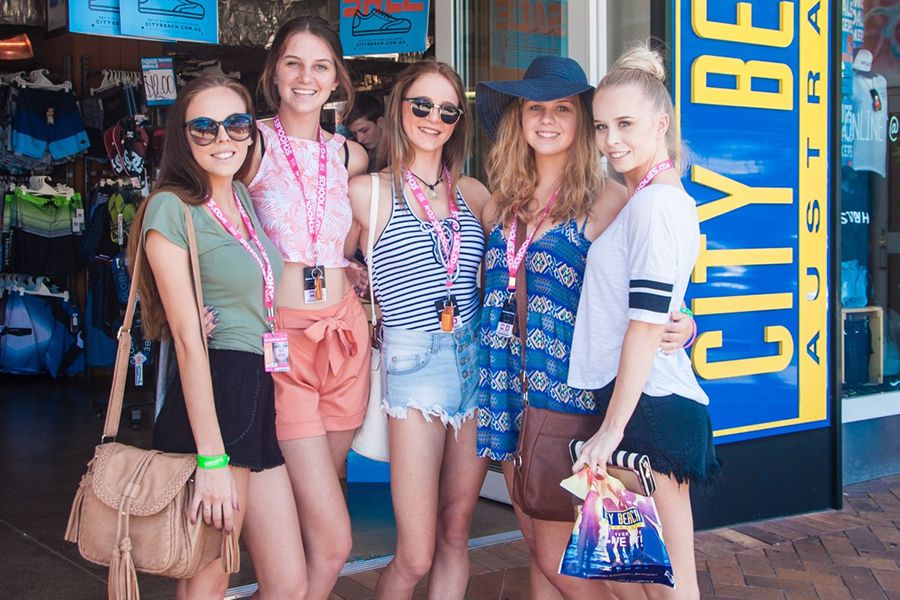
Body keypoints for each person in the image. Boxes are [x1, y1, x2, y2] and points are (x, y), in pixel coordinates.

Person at [475, 56, 694, 599]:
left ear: (579, 124)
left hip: (571, 399)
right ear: (518, 120)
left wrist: (685, 323)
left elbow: (652, 279)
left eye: (563, 110)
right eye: (534, 109)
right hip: (506, 390)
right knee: (535, 538)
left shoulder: (609, 200)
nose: (546, 121)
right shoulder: (499, 203)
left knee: (578, 559)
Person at [129, 75, 306, 599]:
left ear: (252, 131)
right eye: (204, 127)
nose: (223, 137)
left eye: (235, 123)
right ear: (183, 138)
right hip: (215, 389)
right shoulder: (171, 207)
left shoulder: (243, 200)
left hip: (256, 385)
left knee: (289, 582)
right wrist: (210, 461)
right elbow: (186, 339)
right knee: (208, 576)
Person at [568, 43, 721, 600]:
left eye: (625, 123)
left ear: (662, 124)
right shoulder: (648, 200)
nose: (611, 140)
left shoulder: (658, 204)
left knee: (666, 585)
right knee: (636, 579)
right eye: (602, 126)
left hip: (648, 410)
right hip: (643, 401)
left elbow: (644, 326)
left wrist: (612, 428)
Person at [346, 60, 491, 600]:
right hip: (412, 364)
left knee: (456, 535)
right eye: (422, 105)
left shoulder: (473, 194)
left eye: (447, 110)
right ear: (399, 108)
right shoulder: (368, 193)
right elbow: (316, 266)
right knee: (415, 552)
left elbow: (535, 245)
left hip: (474, 360)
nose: (433, 118)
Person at [243, 16, 370, 600]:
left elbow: (347, 245)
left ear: (337, 78)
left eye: (320, 66)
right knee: (334, 537)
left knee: (315, 525)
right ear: (274, 71)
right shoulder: (251, 144)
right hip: (284, 343)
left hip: (345, 340)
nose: (305, 77)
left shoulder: (351, 157)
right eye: (293, 62)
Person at [346, 92, 386, 171]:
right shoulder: (358, 150)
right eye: (354, 133)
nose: (360, 139)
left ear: (380, 122)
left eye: (364, 130)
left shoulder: (399, 152)